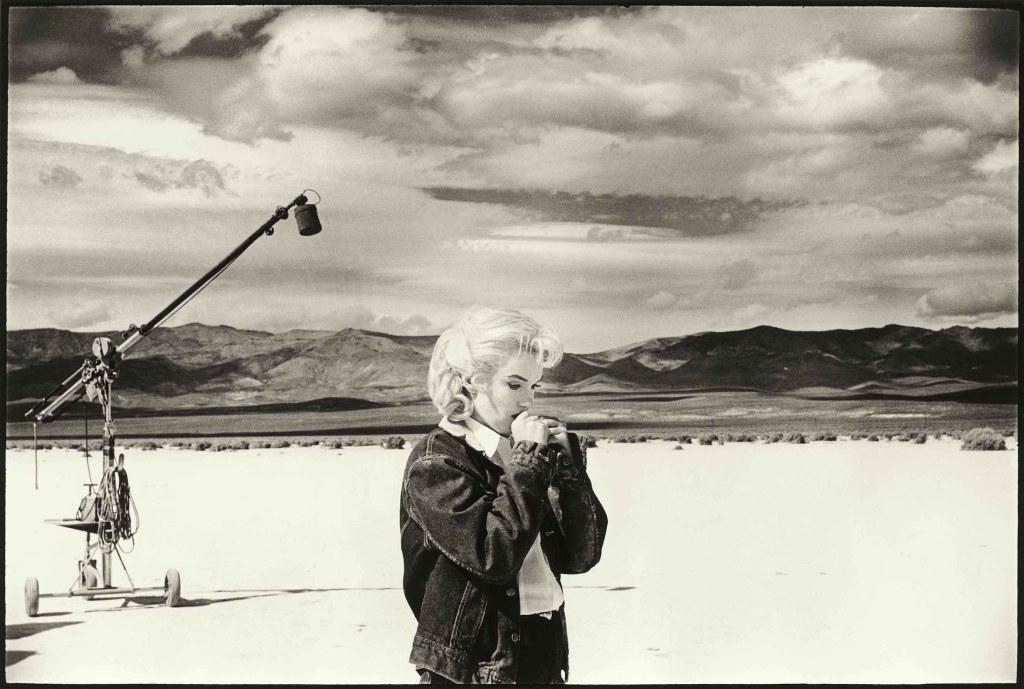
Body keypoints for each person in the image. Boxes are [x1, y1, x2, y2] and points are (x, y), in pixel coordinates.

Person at [400, 306, 608, 684]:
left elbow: (581, 556)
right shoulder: (436, 462)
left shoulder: (522, 453)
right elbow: (493, 555)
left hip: (542, 653)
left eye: (534, 386)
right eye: (514, 385)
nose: (528, 401)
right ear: (472, 381)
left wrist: (568, 475)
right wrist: (528, 464)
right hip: (475, 668)